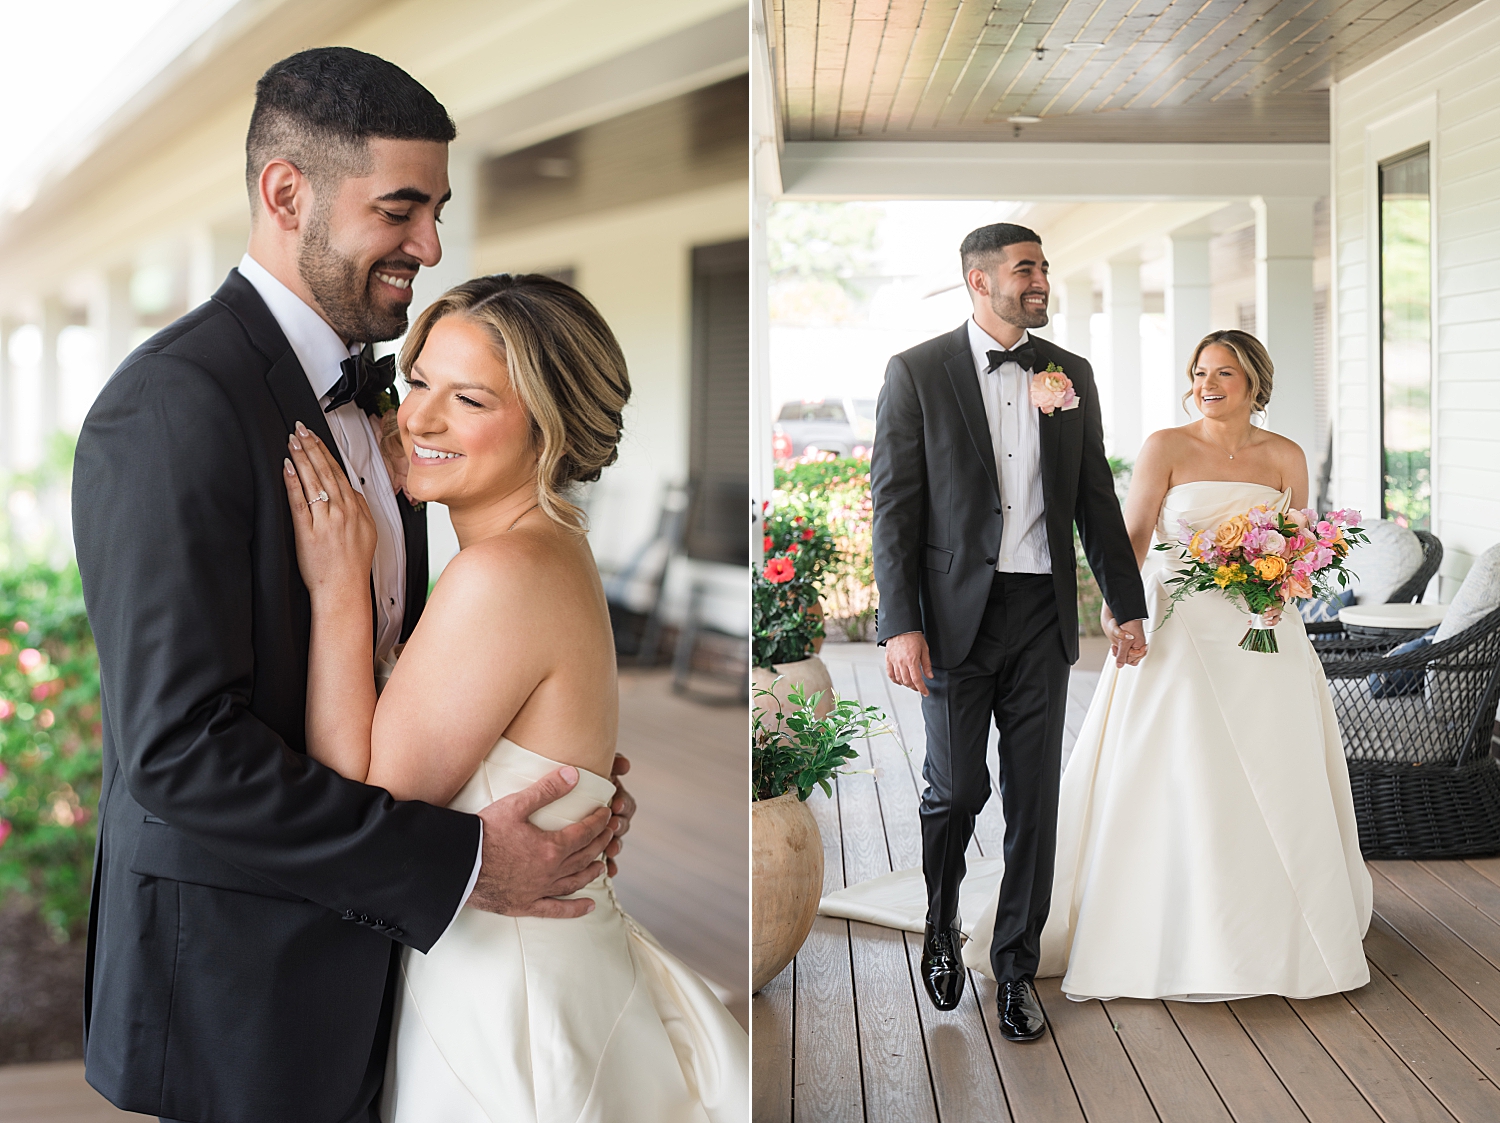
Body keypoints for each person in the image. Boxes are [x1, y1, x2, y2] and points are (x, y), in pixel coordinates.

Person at [71, 49, 635, 1123]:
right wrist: (471, 859)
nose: (428, 245)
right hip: (249, 984)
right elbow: (179, 752)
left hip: (405, 970)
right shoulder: (172, 407)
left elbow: (419, 665)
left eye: (436, 212)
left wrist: (558, 780)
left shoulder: (391, 416)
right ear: (287, 193)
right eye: (400, 209)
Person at [281, 272, 747, 1122]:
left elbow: (363, 794)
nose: (417, 417)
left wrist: (339, 586)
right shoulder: (554, 538)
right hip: (522, 954)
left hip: (510, 994)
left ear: (549, 423)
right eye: (417, 380)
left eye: (468, 399)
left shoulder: (501, 572)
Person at [961, 330, 1372, 1001]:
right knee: (1181, 764)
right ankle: (1169, 922)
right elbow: (1133, 534)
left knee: (1276, 762)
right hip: (1178, 626)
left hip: (1261, 627)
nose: (1207, 385)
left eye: (1224, 374)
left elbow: (1299, 545)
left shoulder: (1285, 455)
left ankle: (1276, 921)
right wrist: (1117, 607)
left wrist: (1275, 583)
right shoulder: (1166, 446)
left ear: (1255, 384)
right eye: (1199, 372)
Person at [869, 222, 1149, 1042]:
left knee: (1034, 798)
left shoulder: (1069, 374)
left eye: (1043, 268)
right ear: (978, 280)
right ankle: (941, 912)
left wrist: (1125, 602)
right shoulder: (916, 372)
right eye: (1025, 268)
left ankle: (1017, 967)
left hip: (1040, 615)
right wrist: (899, 624)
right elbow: (895, 508)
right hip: (953, 618)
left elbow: (1095, 497)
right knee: (956, 789)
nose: (1039, 280)